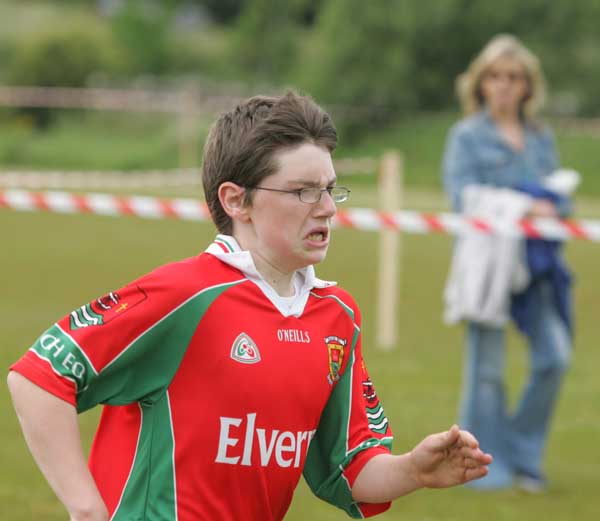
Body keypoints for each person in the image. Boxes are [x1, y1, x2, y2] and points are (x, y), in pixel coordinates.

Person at [8, 91, 491, 521]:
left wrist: (412, 470)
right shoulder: (185, 295)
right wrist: (86, 507)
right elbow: (38, 377)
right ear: (236, 201)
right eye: (303, 191)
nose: (326, 208)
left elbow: (349, 468)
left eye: (330, 189)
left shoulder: (337, 317)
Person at [441, 35, 572, 492]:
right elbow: (462, 197)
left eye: (513, 78)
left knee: (555, 357)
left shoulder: (540, 136)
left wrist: (553, 203)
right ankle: (482, 469)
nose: (504, 86)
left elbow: (557, 199)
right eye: (495, 76)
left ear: (527, 86)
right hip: (489, 270)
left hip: (536, 269)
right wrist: (522, 206)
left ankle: (522, 453)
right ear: (480, 83)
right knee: (488, 374)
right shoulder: (467, 136)